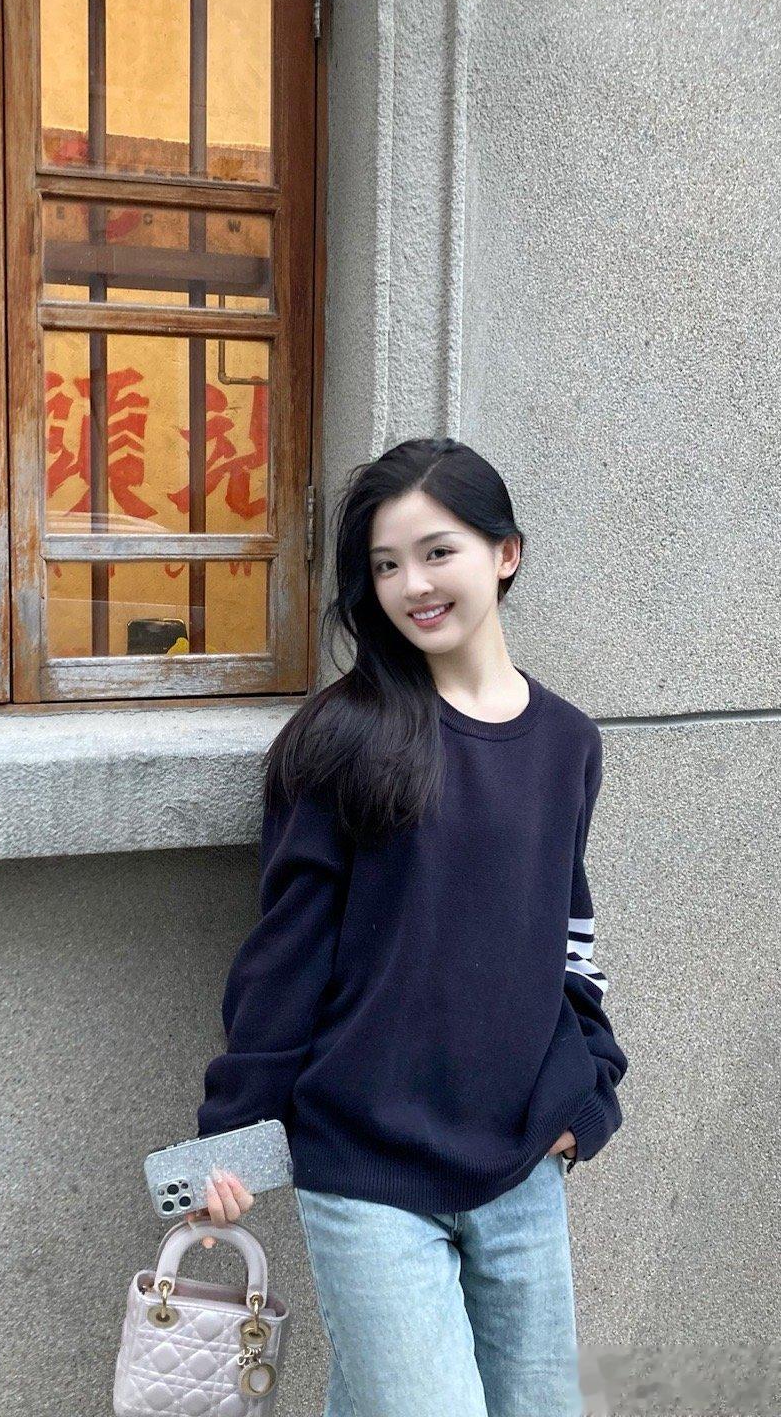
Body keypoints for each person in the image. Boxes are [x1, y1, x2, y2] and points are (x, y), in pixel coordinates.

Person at [184, 436, 629, 1417]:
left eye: (437, 552)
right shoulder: (343, 738)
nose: (412, 585)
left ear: (505, 552)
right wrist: (236, 1128)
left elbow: (569, 934)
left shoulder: (566, 741)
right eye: (386, 565)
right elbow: (286, 957)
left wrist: (589, 1089)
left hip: (521, 1163)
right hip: (368, 1170)